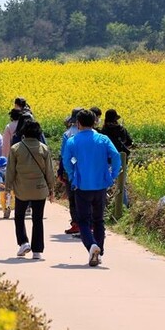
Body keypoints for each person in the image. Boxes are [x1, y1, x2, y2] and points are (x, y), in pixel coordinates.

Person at [62, 109, 122, 267]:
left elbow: (67, 161)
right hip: (101, 185)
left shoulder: (72, 141)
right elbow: (116, 157)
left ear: (78, 123)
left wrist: (72, 175)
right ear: (95, 122)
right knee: (98, 220)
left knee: (83, 221)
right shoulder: (103, 139)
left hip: (82, 186)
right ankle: (99, 250)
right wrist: (112, 175)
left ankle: (91, 246)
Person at [8, 120, 55, 260]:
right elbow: (49, 172)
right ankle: (37, 251)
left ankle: (23, 242)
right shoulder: (44, 148)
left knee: (19, 216)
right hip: (40, 189)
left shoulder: (15, 149)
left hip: (22, 189)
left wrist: (8, 187)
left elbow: (10, 171)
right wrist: (52, 189)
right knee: (38, 219)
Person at [58, 107, 83, 235]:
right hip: (87, 170)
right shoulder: (94, 134)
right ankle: (87, 224)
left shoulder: (67, 134)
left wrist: (61, 171)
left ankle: (76, 224)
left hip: (71, 170)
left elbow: (64, 155)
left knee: (73, 199)